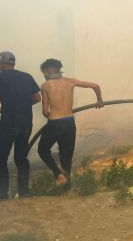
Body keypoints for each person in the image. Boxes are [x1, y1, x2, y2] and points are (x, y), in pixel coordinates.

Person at [38, 59, 103, 187]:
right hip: (69, 123)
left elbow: (45, 112)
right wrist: (99, 100)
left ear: (48, 71)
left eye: (44, 72)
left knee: (43, 150)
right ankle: (66, 188)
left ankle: (58, 175)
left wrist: (52, 112)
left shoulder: (45, 86)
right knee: (66, 156)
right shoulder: (71, 81)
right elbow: (95, 86)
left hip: (54, 124)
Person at [0, 51, 41, 202]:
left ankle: (2, 195)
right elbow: (37, 97)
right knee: (21, 157)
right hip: (25, 123)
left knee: (1, 158)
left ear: (2, 63)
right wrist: (22, 104)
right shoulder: (27, 76)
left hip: (8, 123)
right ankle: (23, 192)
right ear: (13, 63)